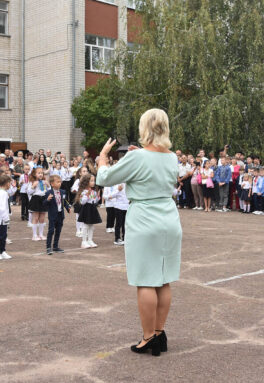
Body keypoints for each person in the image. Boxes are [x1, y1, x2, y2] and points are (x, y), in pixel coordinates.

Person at [96, 109, 182, 357]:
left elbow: (105, 178)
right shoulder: (172, 157)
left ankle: (148, 338)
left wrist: (103, 157)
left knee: (145, 279)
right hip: (168, 216)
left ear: (145, 128)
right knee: (163, 279)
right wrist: (139, 157)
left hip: (144, 218)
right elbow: (156, 169)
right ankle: (159, 331)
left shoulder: (138, 157)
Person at [42, 175, 70, 255]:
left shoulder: (62, 192)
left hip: (60, 214)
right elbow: (44, 204)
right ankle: (48, 247)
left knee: (58, 231)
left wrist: (68, 208)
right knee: (51, 231)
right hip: (52, 215)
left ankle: (55, 246)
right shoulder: (48, 193)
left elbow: (64, 202)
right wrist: (47, 200)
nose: (60, 183)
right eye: (57, 182)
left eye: (60, 181)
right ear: (52, 184)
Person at [76, 174, 102, 249]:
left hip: (92, 208)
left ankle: (90, 240)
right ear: (86, 182)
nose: (93, 182)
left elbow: (95, 200)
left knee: (91, 225)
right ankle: (84, 241)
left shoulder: (93, 191)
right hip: (86, 209)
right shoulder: (84, 191)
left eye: (94, 181)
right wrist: (87, 195)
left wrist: (98, 197)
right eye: (91, 181)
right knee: (86, 225)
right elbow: (82, 202)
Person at [0, 174, 12, 261]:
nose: (10, 185)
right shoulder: (1, 193)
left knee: (4, 236)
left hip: (3, 219)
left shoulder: (4, 193)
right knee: (0, 236)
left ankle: (2, 251)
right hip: (0, 219)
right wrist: (5, 218)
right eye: (10, 183)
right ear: (7, 183)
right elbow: (1, 207)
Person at [27, 167, 50, 241]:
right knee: (36, 218)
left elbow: (48, 191)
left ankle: (41, 234)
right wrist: (33, 186)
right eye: (39, 173)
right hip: (36, 199)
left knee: (42, 218)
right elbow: (29, 192)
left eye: (41, 173)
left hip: (43, 199)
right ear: (34, 174)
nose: (40, 174)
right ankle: (34, 235)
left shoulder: (44, 181)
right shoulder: (32, 182)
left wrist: (48, 185)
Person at [71, 166, 89, 237]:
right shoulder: (78, 181)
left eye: (86, 171)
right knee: (78, 215)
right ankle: (78, 230)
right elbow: (73, 188)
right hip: (79, 200)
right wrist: (76, 190)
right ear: (80, 173)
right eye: (84, 171)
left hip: (86, 200)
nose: (85, 172)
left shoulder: (88, 181)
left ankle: (84, 230)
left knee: (85, 215)